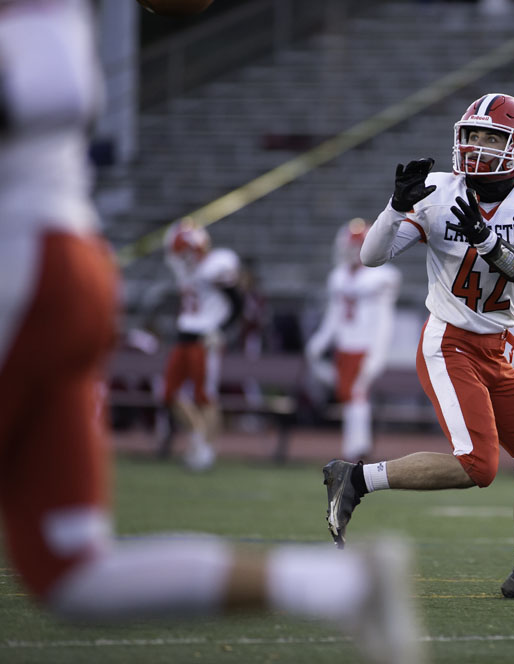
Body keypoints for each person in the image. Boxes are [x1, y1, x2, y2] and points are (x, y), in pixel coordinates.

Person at [0, 3, 421, 662]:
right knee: (71, 574)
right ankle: (339, 586)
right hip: (56, 267)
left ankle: (219, 452)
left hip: (27, 266)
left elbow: (51, 82)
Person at [322, 92, 514, 600]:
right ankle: (355, 478)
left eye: (492, 137)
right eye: (472, 135)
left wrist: (486, 240)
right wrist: (395, 205)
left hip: (495, 348)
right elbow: (371, 257)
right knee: (478, 466)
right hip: (449, 342)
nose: (478, 145)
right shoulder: (438, 193)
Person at [306, 218, 401, 462]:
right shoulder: (339, 277)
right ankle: (355, 447)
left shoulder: (381, 277)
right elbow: (335, 315)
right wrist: (321, 339)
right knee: (348, 396)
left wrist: (377, 354)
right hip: (345, 345)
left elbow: (384, 320)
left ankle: (357, 450)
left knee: (356, 394)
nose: (351, 253)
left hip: (366, 345)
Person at [161, 218, 242, 470]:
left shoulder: (216, 265)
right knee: (168, 393)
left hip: (205, 337)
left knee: (205, 396)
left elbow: (238, 303)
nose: (183, 258)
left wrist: (221, 331)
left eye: (187, 252)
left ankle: (206, 451)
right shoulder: (183, 267)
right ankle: (198, 435)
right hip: (184, 334)